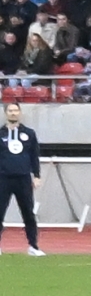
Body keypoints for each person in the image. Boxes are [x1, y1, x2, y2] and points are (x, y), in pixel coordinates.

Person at [1, 100, 43, 255]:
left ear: (20, 113)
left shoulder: (29, 133)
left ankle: (33, 246)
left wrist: (36, 175)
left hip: (23, 179)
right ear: (6, 113)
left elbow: (34, 156)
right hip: (3, 178)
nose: (13, 113)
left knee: (28, 213)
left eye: (15, 110)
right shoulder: (1, 133)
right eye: (10, 110)